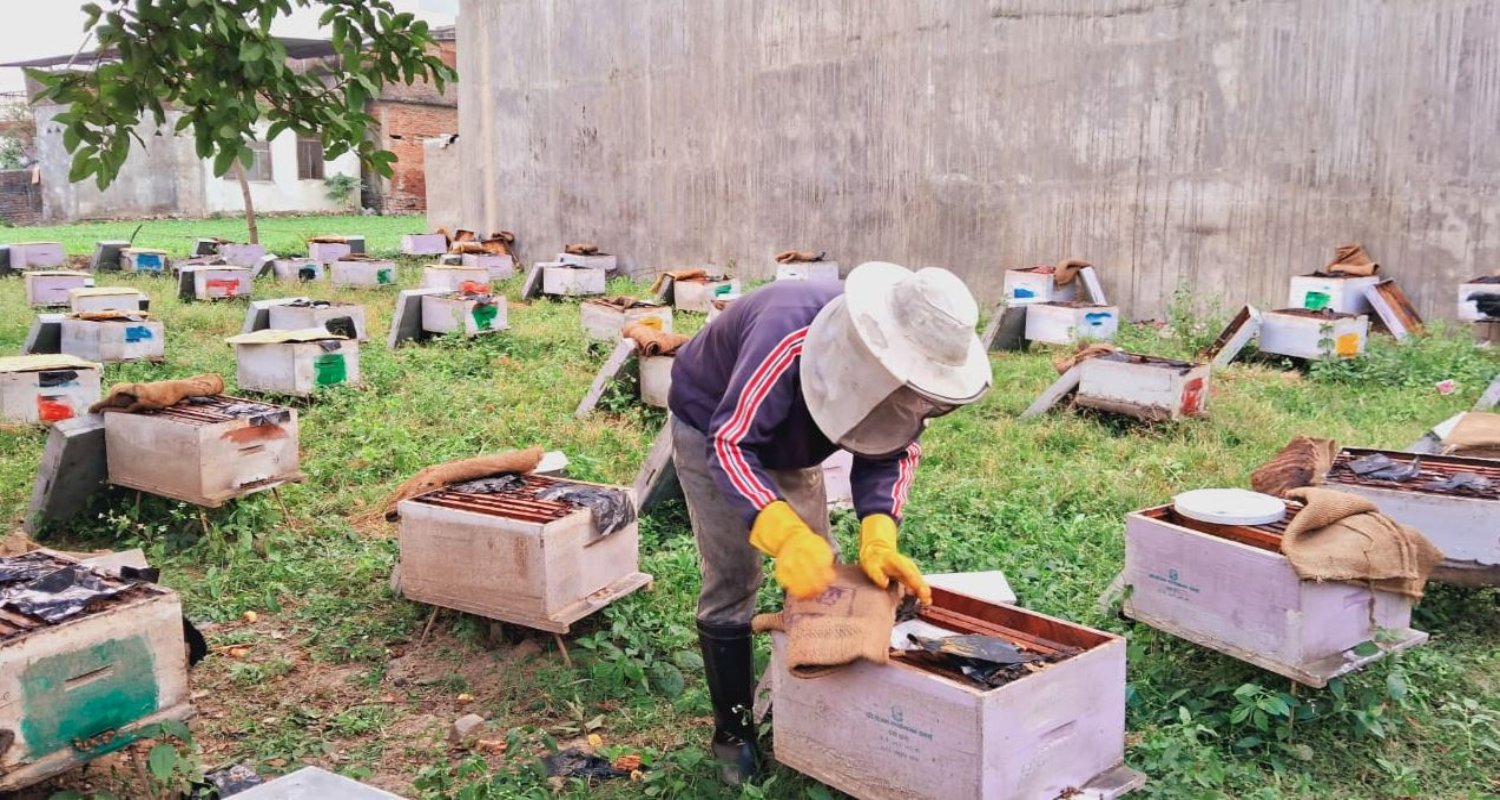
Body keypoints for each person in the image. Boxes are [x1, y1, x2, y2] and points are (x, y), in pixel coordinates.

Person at [666, 261, 994, 784]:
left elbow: (891, 448)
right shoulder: (786, 333)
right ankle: (733, 732)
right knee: (734, 575)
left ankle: (817, 713)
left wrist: (879, 535)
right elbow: (731, 443)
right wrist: (782, 532)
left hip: (790, 442)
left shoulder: (901, 375)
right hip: (712, 422)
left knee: (824, 576)